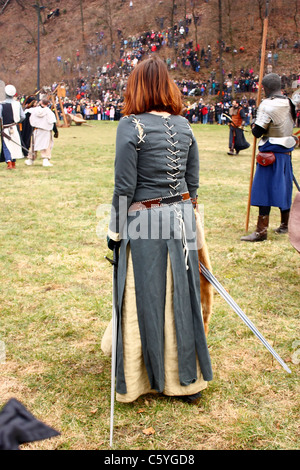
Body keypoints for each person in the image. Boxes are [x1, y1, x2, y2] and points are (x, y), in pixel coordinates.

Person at [103, 56, 213, 404]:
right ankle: (184, 381)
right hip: (182, 217)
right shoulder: (185, 126)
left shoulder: (129, 125)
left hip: (146, 220)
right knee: (181, 295)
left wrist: (115, 231)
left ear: (135, 86)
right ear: (167, 86)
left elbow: (124, 186)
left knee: (144, 296)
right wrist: (186, 213)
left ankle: (142, 380)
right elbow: (192, 182)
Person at [241, 73, 298, 242]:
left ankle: (261, 231)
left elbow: (257, 132)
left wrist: (253, 122)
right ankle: (285, 225)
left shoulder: (267, 104)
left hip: (269, 153)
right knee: (284, 188)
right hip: (285, 152)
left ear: (265, 88)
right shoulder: (290, 102)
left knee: (263, 190)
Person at [0, 84, 25, 169]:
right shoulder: (17, 104)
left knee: (6, 145)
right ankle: (13, 163)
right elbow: (23, 116)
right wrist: (17, 122)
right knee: (15, 144)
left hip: (6, 127)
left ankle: (9, 162)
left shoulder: (1, 104)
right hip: (14, 126)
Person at [27, 99, 58, 167]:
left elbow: (31, 120)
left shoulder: (35, 110)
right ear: (48, 103)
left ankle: (31, 159)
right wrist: (56, 131)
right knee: (46, 145)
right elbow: (52, 122)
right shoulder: (49, 112)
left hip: (37, 130)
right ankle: (45, 159)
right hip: (46, 130)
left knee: (34, 145)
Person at [20, 96, 37, 161]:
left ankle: (25, 150)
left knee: (27, 137)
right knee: (26, 137)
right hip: (27, 125)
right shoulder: (28, 111)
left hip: (30, 125)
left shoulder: (29, 110)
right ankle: (25, 151)